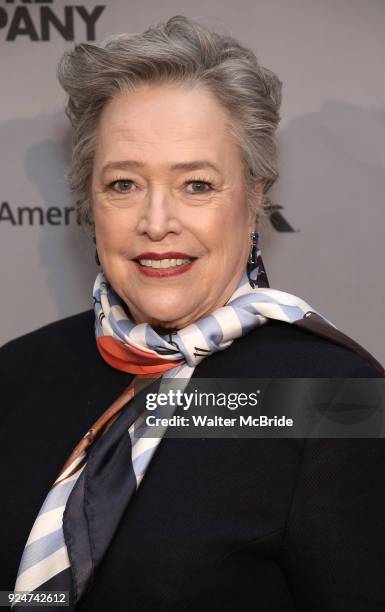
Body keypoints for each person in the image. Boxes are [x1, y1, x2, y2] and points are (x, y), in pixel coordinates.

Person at [1, 14, 384, 612]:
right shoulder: (17, 374)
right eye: (123, 184)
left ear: (255, 197)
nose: (156, 222)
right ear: (89, 199)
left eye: (197, 185)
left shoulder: (336, 400)